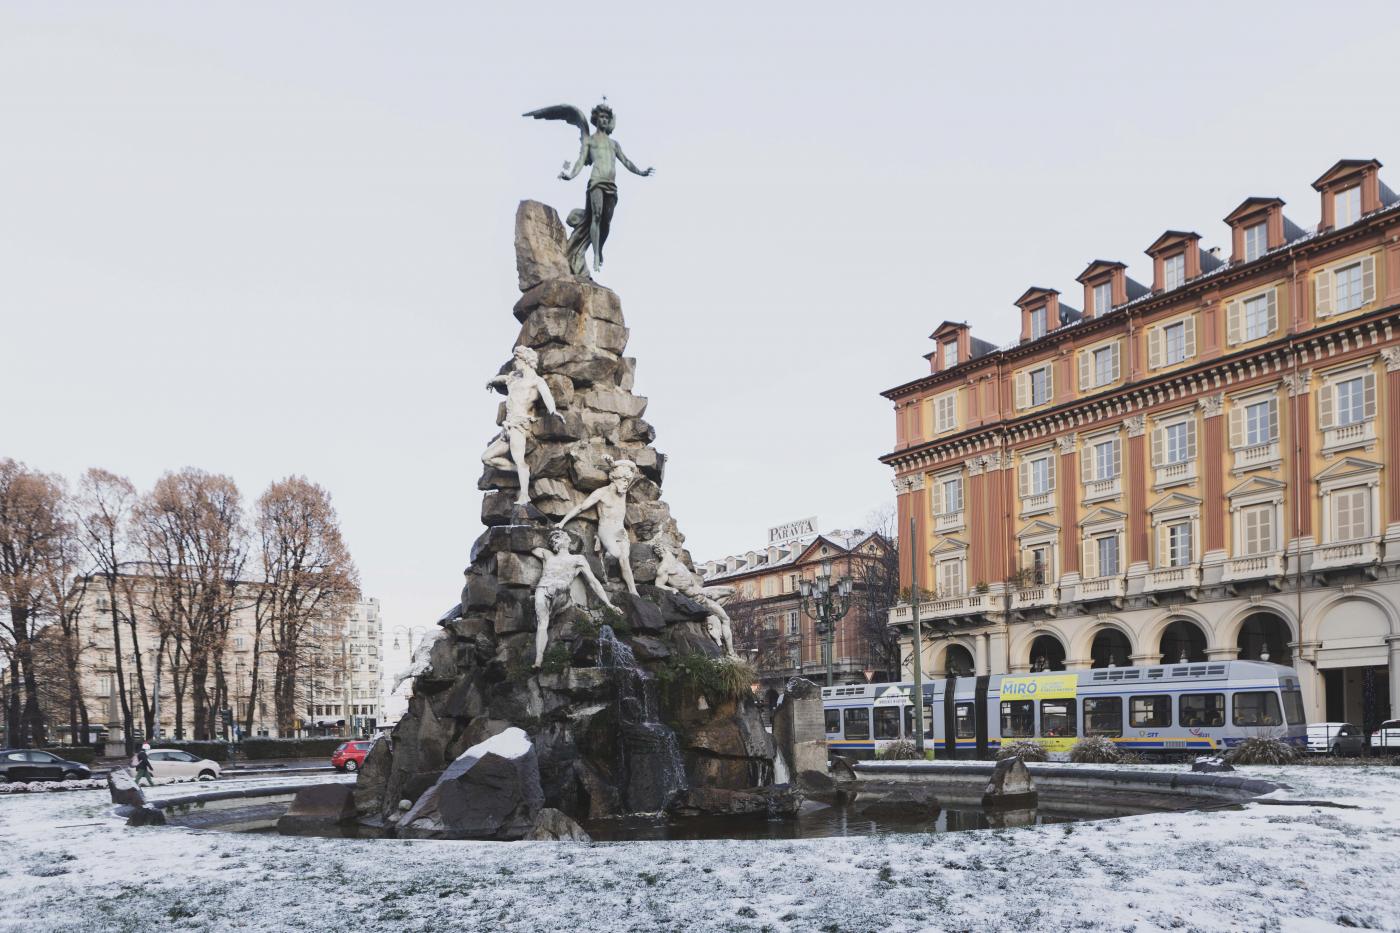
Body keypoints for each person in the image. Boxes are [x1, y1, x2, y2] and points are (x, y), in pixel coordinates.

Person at [530, 529, 618, 668]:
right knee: (542, 623)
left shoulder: (577, 559)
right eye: (556, 539)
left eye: (561, 536)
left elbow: (594, 582)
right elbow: (528, 545)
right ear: (554, 544)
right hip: (543, 588)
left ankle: (553, 610)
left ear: (568, 540)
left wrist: (608, 604)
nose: (559, 540)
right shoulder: (547, 555)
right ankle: (538, 659)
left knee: (561, 586)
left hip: (561, 593)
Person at [482, 345, 557, 505]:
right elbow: (503, 379)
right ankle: (522, 472)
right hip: (507, 426)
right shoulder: (514, 377)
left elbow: (547, 396)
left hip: (519, 425)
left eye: (517, 359)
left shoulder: (536, 381)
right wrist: (492, 381)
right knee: (487, 458)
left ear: (525, 361)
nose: (515, 362)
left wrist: (553, 411)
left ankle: (525, 495)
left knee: (519, 459)